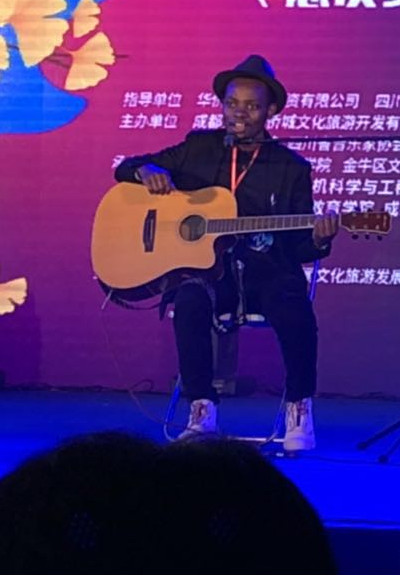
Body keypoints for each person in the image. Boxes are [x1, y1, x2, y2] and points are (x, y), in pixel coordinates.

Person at [115, 54, 339, 452]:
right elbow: (127, 167)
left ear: (270, 111)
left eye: (251, 106)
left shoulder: (291, 167)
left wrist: (320, 239)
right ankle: (202, 408)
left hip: (267, 272)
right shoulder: (199, 147)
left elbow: (299, 247)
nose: (239, 113)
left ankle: (299, 407)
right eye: (232, 103)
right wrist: (144, 171)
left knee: (294, 307)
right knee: (189, 300)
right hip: (207, 271)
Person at [0, 431, 337, 574]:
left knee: (287, 302)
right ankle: (201, 401)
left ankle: (298, 407)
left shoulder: (263, 523)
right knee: (191, 301)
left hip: (270, 282)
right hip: (211, 284)